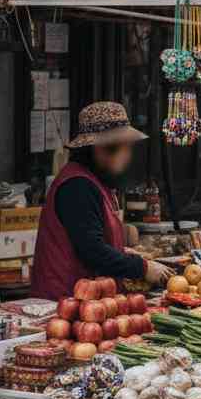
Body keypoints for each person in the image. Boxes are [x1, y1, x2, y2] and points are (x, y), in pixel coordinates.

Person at [31, 101, 172, 300]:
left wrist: (123, 252)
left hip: (89, 302)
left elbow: (93, 237)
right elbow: (93, 250)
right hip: (64, 302)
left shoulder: (95, 182)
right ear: (102, 149)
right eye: (126, 149)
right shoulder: (77, 186)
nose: (128, 157)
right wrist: (143, 268)